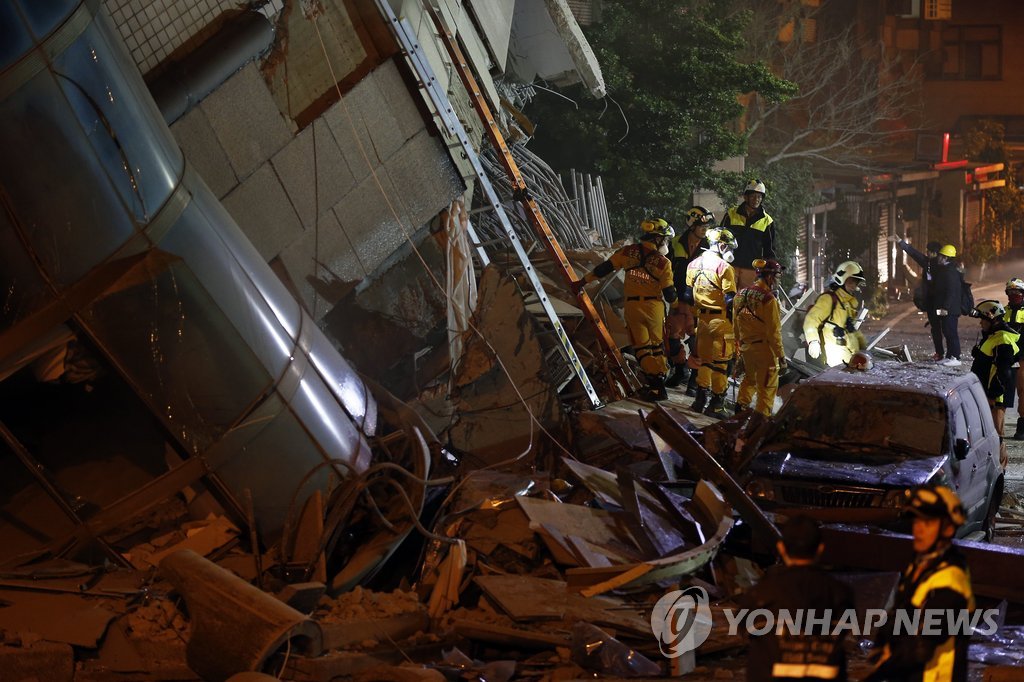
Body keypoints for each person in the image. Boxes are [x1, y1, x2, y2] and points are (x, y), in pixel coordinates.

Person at [865, 485, 974, 682]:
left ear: (948, 528)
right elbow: (902, 611)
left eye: (928, 522)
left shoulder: (950, 582)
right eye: (916, 521)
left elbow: (920, 649)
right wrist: (882, 643)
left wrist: (877, 675)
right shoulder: (921, 564)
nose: (918, 529)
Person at [738, 515, 854, 682]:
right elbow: (844, 631)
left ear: (781, 548)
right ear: (820, 548)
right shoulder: (841, 593)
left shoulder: (759, 594)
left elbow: (744, 630)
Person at [575, 218, 678, 401]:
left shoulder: (627, 252)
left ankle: (656, 386)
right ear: (658, 239)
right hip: (654, 308)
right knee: (656, 347)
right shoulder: (663, 263)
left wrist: (583, 281)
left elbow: (604, 268)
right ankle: (659, 382)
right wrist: (677, 307)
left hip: (633, 307)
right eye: (666, 240)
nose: (667, 244)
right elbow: (670, 293)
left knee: (642, 348)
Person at [686, 227, 738, 417]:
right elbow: (730, 300)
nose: (730, 251)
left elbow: (688, 295)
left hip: (702, 322)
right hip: (720, 321)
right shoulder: (725, 267)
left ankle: (699, 401)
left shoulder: (693, 264)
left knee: (705, 362)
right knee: (721, 365)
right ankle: (716, 405)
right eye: (728, 247)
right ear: (722, 245)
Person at [666, 207, 714, 391]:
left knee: (697, 340)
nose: (705, 229)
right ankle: (680, 370)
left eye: (707, 226)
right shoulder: (676, 242)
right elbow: (667, 267)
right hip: (679, 298)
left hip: (698, 300)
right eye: (702, 226)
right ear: (692, 225)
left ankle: (695, 378)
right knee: (672, 336)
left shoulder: (711, 246)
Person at [969, 299, 1020, 469]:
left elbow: (1004, 372)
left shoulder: (1003, 339)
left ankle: (999, 471)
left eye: (983, 319)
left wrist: (994, 394)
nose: (981, 323)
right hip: (987, 394)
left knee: (996, 436)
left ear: (992, 319)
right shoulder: (993, 336)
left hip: (995, 398)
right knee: (987, 435)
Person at [734, 258, 787, 416]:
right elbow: (774, 332)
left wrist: (739, 350)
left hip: (746, 348)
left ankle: (739, 413)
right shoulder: (769, 299)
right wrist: (781, 357)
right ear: (769, 277)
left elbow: (736, 325)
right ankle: (760, 421)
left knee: (749, 380)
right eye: (777, 276)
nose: (778, 281)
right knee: (767, 388)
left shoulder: (740, 294)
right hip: (764, 351)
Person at [802, 261, 868, 368]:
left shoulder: (847, 303)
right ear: (842, 279)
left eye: (856, 283)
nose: (853, 286)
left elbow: (850, 329)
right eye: (851, 282)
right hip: (834, 359)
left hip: (848, 356)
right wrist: (813, 341)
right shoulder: (829, 299)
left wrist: (862, 344)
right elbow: (811, 319)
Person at [890, 236, 944, 360]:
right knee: (936, 328)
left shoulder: (940, 266)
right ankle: (940, 353)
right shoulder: (929, 263)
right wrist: (900, 242)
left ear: (934, 253)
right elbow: (915, 254)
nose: (927, 253)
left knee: (945, 328)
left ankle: (950, 355)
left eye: (929, 251)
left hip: (940, 302)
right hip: (932, 301)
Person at [721, 179, 777, 290]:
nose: (756, 199)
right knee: (726, 296)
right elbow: (721, 237)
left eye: (759, 197)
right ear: (746, 197)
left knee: (746, 298)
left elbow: (769, 249)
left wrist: (770, 269)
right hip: (730, 265)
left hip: (751, 270)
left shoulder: (767, 221)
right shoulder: (731, 214)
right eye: (753, 196)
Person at [929, 245, 964, 366]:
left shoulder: (950, 272)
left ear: (946, 258)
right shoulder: (946, 269)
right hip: (947, 308)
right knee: (947, 332)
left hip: (950, 309)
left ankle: (956, 357)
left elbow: (951, 292)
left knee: (951, 332)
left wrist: (945, 308)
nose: (938, 258)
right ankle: (949, 356)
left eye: (940, 256)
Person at [1002, 278, 1024, 440]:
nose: (1013, 295)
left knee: (1023, 391)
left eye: (1017, 292)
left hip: (1022, 357)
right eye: (1010, 292)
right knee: (1001, 392)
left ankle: (1022, 427)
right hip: (1006, 357)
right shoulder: (1004, 311)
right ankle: (996, 428)